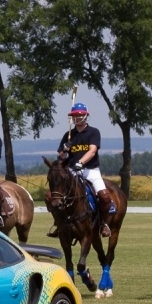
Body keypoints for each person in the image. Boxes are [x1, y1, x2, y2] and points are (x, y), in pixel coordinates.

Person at [47, 102, 114, 238]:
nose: (77, 117)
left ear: (85, 116)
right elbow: (61, 156)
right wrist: (65, 149)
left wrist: (80, 162)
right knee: (53, 196)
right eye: (74, 115)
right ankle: (59, 224)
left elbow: (92, 151)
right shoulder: (68, 135)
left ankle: (104, 224)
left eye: (79, 115)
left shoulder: (93, 132)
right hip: (71, 171)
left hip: (91, 170)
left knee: (104, 196)